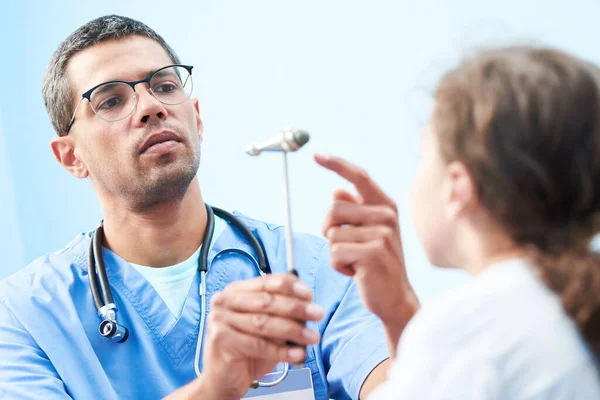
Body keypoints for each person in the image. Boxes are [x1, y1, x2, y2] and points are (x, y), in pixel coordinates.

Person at [0, 15, 390, 400]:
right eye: (112, 100)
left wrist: (401, 309)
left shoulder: (315, 269)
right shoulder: (25, 316)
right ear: (71, 157)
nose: (150, 107)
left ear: (197, 118)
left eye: (165, 85)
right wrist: (214, 390)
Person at [315, 46, 600, 398]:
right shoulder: (568, 308)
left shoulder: (472, 327)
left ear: (458, 187)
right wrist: (396, 312)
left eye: (423, 156)